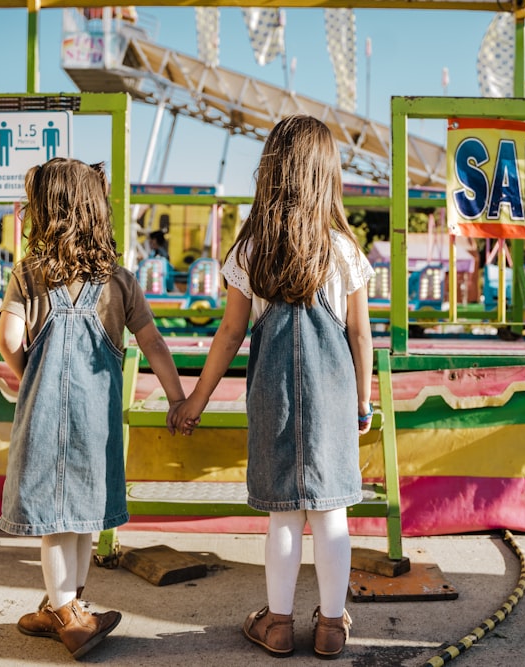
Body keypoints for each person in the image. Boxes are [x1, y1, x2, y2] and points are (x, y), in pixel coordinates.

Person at [170, 115, 375, 659]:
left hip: (272, 401)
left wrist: (196, 399)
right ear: (325, 174)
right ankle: (332, 626)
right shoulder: (343, 250)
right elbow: (359, 334)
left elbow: (231, 332)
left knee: (284, 513)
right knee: (332, 515)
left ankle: (279, 624)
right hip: (333, 401)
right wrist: (363, 398)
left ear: (272, 172)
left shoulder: (251, 250)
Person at [0, 158, 186, 660]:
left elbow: (7, 338)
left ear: (44, 213)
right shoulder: (119, 282)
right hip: (95, 427)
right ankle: (69, 608)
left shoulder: (27, 275)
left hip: (43, 421)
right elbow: (154, 345)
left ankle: (64, 612)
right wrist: (177, 398)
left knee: (57, 520)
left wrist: (27, 375)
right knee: (83, 516)